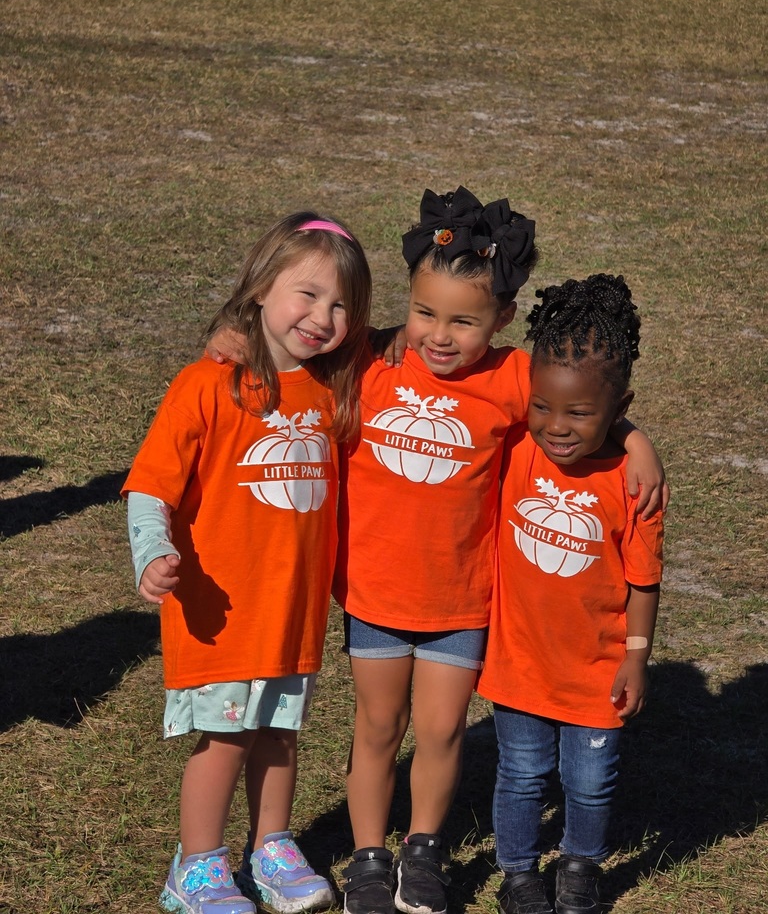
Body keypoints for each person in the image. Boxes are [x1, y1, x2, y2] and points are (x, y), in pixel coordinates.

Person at [208, 190, 667, 914]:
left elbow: (579, 400)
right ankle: (368, 856)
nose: (440, 335)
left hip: (461, 601)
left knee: (443, 729)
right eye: (425, 313)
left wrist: (636, 441)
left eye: (464, 320)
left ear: (503, 321)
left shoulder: (513, 378)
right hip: (374, 596)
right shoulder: (368, 359)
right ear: (406, 304)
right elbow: (286, 347)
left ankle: (422, 852)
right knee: (378, 727)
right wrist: (234, 340)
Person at [123, 213, 372, 914]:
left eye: (342, 304)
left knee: (281, 733)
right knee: (226, 737)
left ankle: (272, 846)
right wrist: (154, 552)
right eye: (308, 294)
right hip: (220, 611)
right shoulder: (206, 385)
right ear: (261, 286)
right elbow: (150, 486)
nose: (324, 317)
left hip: (293, 614)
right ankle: (196, 867)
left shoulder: (333, 390)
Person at [477, 274, 663, 914]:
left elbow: (643, 580)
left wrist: (635, 656)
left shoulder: (634, 486)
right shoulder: (514, 449)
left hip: (597, 670)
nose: (557, 427)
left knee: (590, 783)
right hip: (519, 661)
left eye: (581, 413)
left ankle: (580, 866)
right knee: (522, 776)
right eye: (543, 407)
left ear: (618, 405)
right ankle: (519, 874)